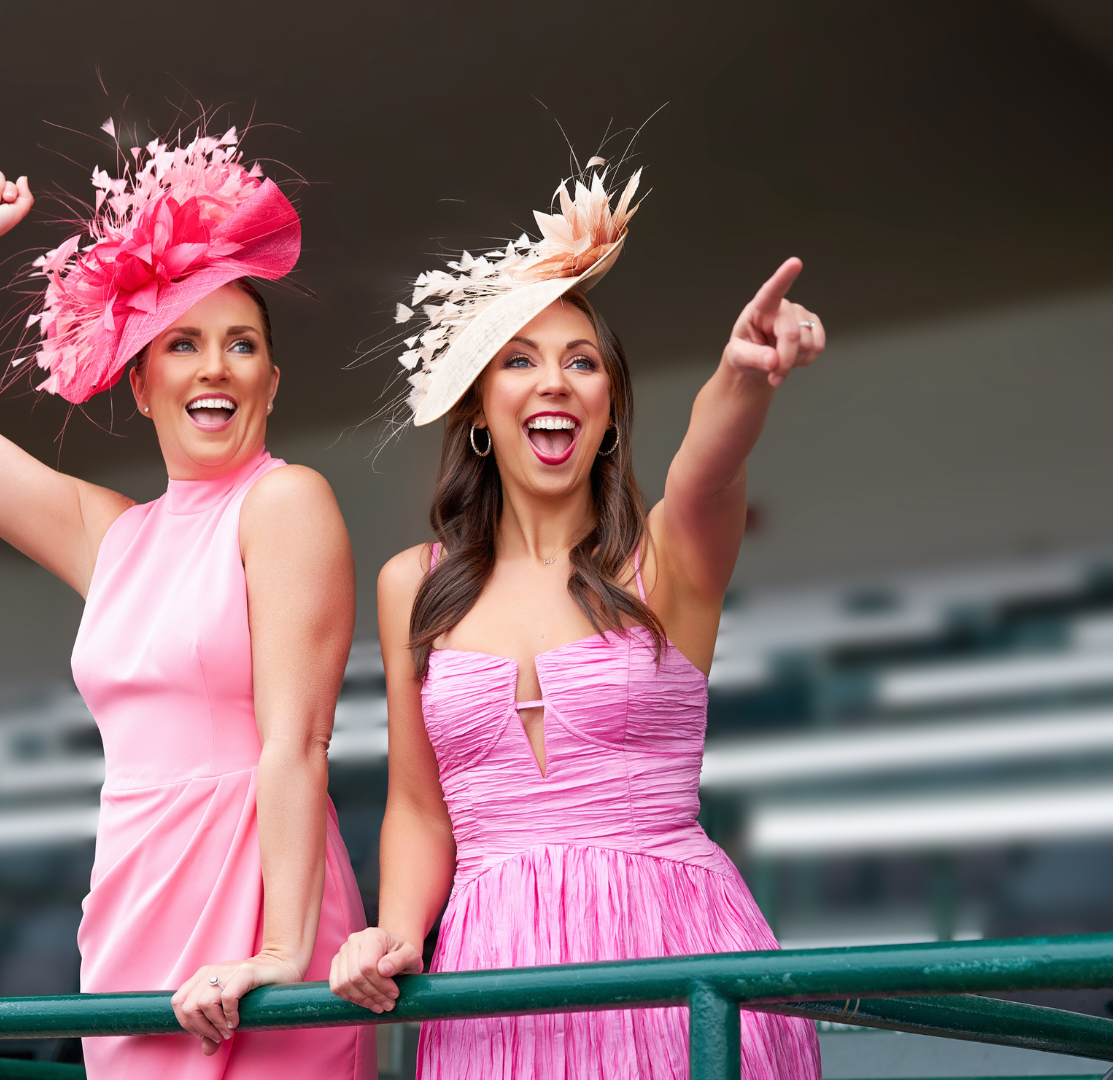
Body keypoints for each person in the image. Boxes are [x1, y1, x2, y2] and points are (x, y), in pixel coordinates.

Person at [0, 125, 372, 1079]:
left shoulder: (285, 500)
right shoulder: (112, 534)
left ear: (271, 385)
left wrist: (280, 951)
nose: (215, 367)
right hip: (133, 906)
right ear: (142, 383)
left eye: (242, 346)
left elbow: (296, 743)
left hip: (264, 901)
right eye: (183, 344)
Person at [328, 164, 824, 1078]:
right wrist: (395, 932)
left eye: (581, 361)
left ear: (606, 415)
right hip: (491, 976)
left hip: (679, 954)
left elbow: (705, 474)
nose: (553, 382)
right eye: (519, 359)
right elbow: (415, 806)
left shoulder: (667, 556)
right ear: (481, 407)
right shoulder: (413, 584)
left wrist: (741, 373)